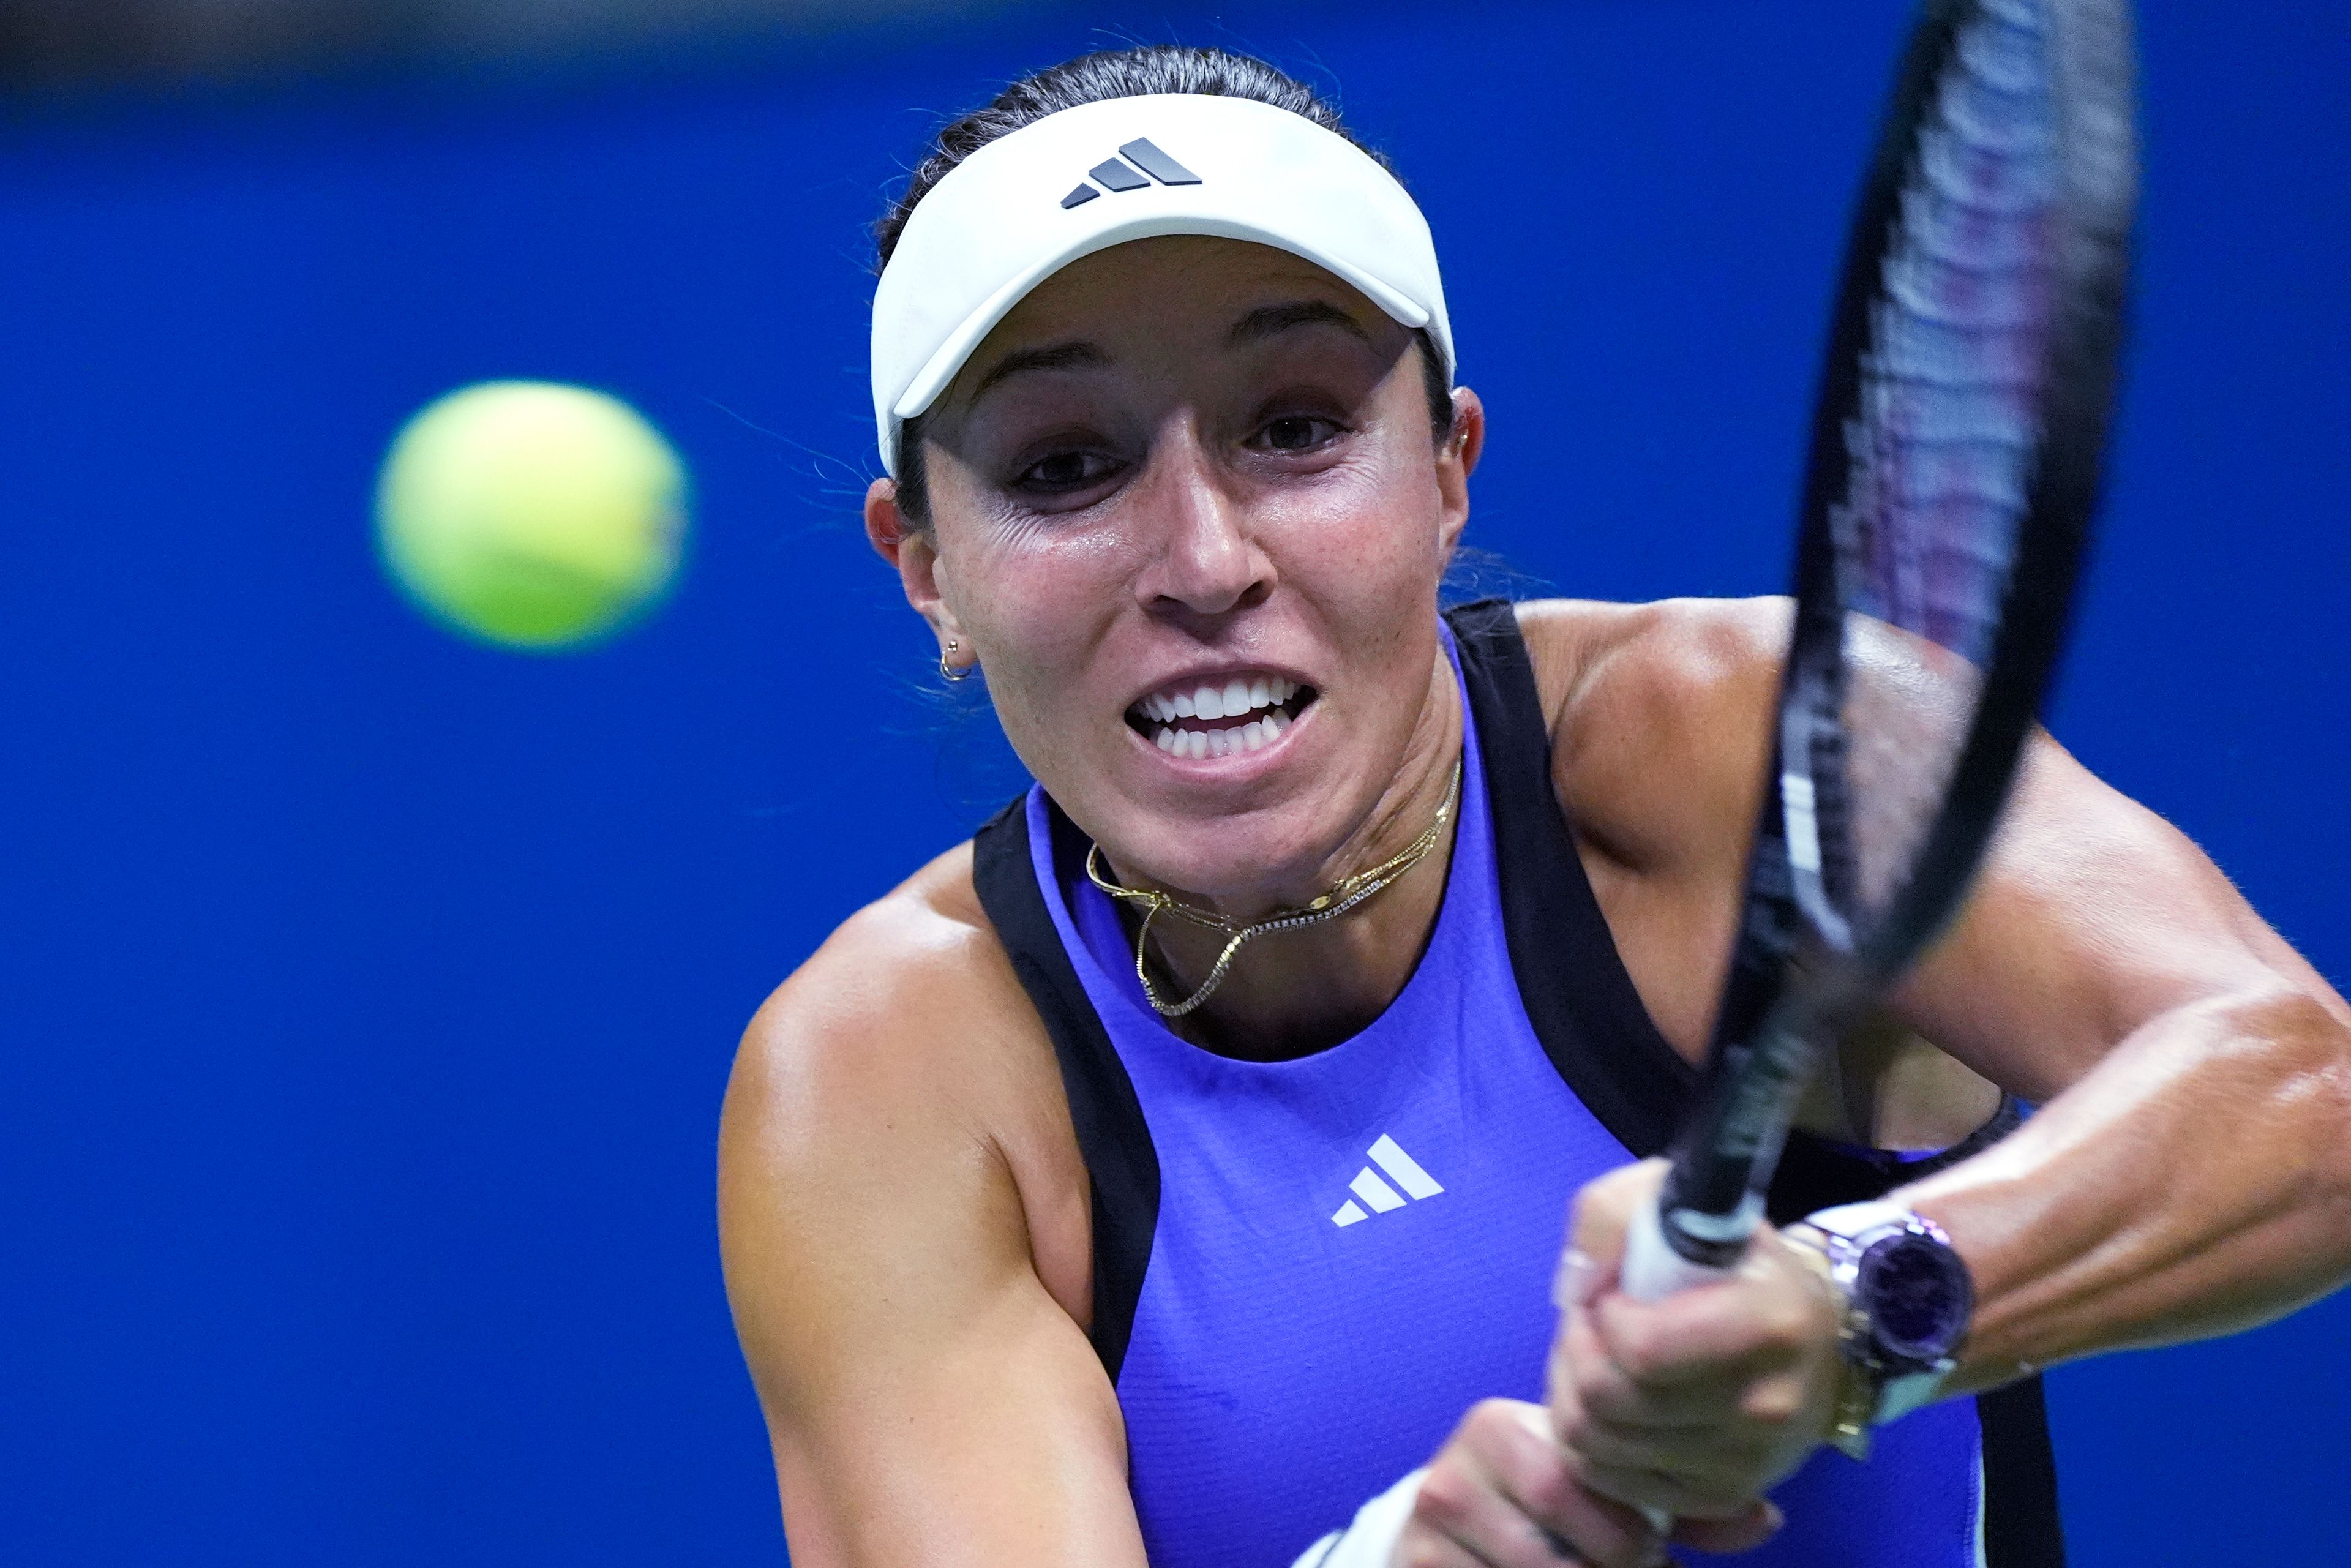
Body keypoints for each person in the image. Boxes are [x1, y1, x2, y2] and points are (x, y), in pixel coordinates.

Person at [717, 45, 2351, 1568]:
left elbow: (2305, 1089)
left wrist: (1852, 1301)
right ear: (927, 566)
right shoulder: (891, 1082)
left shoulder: (1756, 749)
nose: (1207, 560)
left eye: (1296, 429)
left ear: (1446, 471)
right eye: (1065, 465)